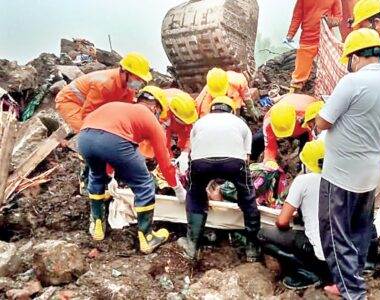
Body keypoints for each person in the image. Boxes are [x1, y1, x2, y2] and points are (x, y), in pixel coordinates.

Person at [315, 28, 380, 299]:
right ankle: (349, 280)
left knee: (335, 235)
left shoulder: (352, 83)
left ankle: (352, 293)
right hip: (369, 175)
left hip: (340, 175)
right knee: (358, 233)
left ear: (355, 57)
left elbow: (322, 122)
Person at [77, 93, 186, 254]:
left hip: (85, 138)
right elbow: (164, 160)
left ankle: (97, 223)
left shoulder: (117, 106)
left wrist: (110, 175)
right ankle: (147, 237)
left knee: (97, 176)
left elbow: (103, 139)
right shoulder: (148, 117)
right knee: (144, 184)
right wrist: (177, 188)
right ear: (154, 107)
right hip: (114, 141)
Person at [55, 52, 153, 193]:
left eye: (140, 79)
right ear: (124, 72)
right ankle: (87, 180)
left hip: (95, 109)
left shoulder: (128, 89)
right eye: (136, 77)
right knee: (91, 137)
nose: (138, 82)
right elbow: (88, 116)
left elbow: (122, 114)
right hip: (71, 103)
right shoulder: (104, 84)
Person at [178, 96, 261, 262]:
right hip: (234, 162)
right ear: (231, 110)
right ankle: (252, 247)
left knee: (195, 195)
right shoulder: (240, 123)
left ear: (212, 109)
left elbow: (195, 152)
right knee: (247, 196)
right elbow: (246, 158)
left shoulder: (200, 122)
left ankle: (192, 245)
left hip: (201, 164)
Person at [258, 140, 332, 290]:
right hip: (344, 258)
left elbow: (282, 221)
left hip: (319, 256)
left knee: (263, 234)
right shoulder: (345, 180)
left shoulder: (304, 181)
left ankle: (306, 272)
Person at [286, 0, 342, 93]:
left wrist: (328, 21)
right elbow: (297, 16)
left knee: (330, 70)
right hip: (307, 40)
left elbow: (338, 19)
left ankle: (329, 94)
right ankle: (294, 94)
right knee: (299, 76)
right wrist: (290, 34)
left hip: (326, 39)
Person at [250, 93, 316, 165]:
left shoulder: (308, 117)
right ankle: (250, 160)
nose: (283, 137)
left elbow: (313, 142)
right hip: (294, 116)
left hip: (304, 126)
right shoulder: (268, 120)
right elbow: (270, 147)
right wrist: (270, 161)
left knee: (305, 154)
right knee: (258, 139)